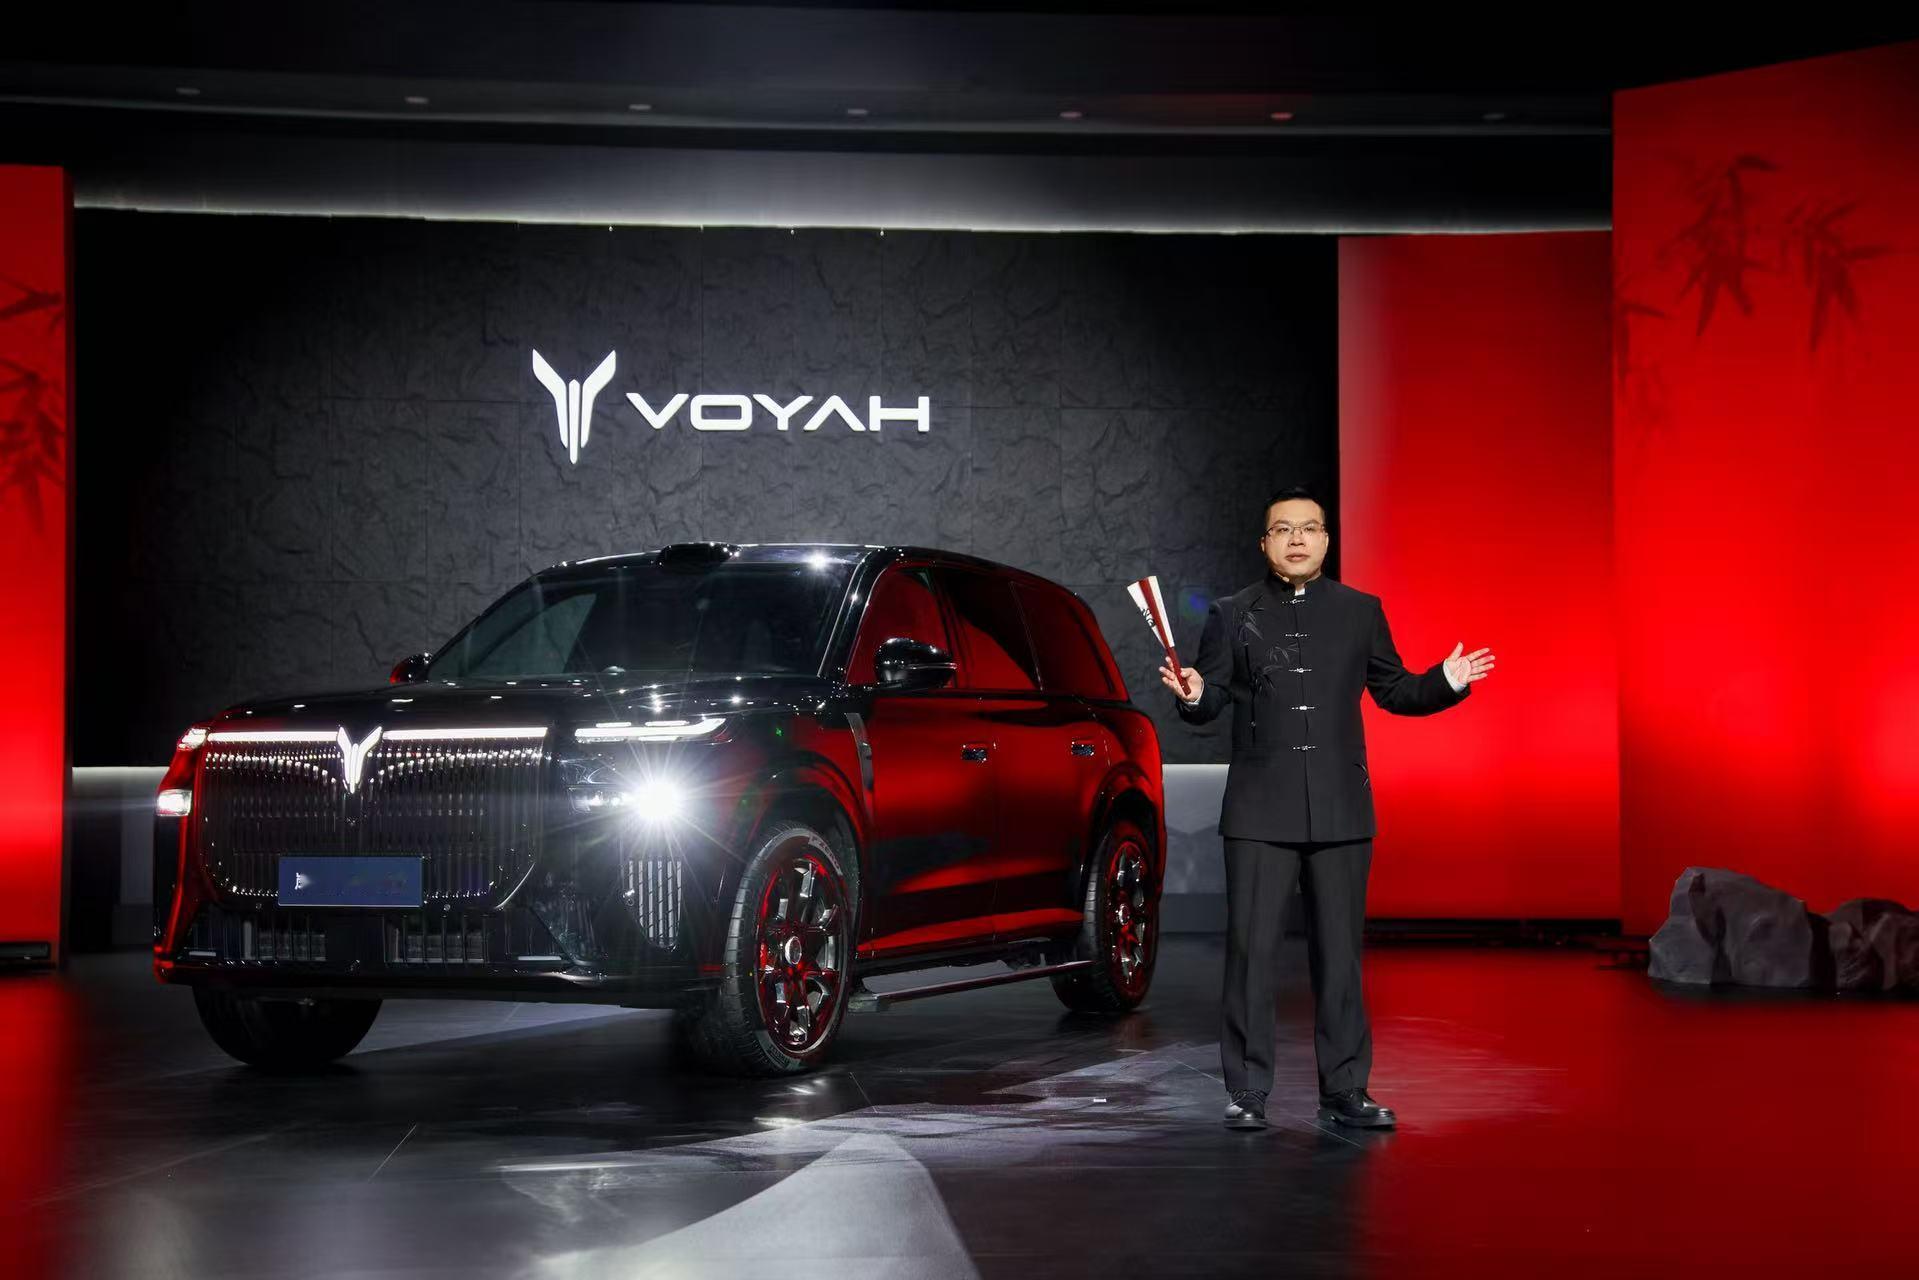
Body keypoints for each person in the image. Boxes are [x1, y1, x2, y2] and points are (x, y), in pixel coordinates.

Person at [1159, 485, 1494, 1130]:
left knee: (1340, 958)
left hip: (1341, 808)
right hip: (1259, 810)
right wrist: (1194, 693)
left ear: (1325, 540)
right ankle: (1247, 1091)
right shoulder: (1233, 613)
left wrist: (1445, 682)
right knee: (1251, 955)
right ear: (1265, 543)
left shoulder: (1360, 611)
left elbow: (1395, 691)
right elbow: (1209, 698)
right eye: (1283, 529)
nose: (1297, 539)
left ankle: (1345, 1090)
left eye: (1309, 528)